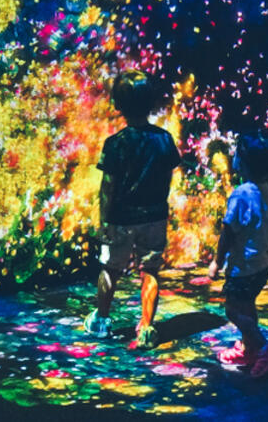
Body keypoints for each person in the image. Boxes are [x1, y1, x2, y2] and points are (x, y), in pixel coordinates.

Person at [84, 71, 181, 348]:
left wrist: (103, 219)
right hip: (154, 216)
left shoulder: (115, 144)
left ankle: (102, 320)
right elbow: (168, 175)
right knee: (150, 271)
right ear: (151, 103)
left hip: (121, 219)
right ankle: (147, 327)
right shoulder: (164, 140)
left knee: (110, 269)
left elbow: (108, 187)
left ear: (118, 105)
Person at [207, 131, 268, 377]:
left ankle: (263, 347)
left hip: (243, 268)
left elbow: (227, 233)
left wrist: (217, 262)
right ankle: (249, 348)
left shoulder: (240, 195)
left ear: (242, 161)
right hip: (261, 266)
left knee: (233, 310)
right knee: (247, 306)